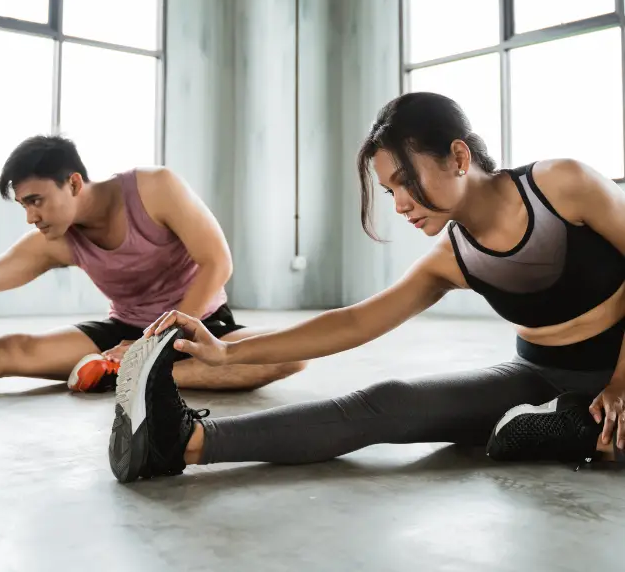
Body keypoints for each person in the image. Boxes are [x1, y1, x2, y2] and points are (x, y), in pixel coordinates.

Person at [105, 92, 625, 484]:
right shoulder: (452, 259)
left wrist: (621, 381)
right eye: (389, 190)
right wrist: (226, 353)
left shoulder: (561, 186)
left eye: (405, 181)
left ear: (459, 157)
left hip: (620, 363)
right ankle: (181, 445)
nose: (399, 203)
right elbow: (352, 323)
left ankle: (577, 432)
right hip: (536, 377)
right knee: (388, 401)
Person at [0, 135, 305, 394]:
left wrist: (154, 345)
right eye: (25, 205)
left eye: (36, 200)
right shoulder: (57, 241)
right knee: (8, 349)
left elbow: (217, 261)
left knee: (292, 353)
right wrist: (137, 343)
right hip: (122, 331)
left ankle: (132, 374)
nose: (31, 217)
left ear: (73, 183)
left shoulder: (155, 188)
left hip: (196, 323)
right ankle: (125, 370)